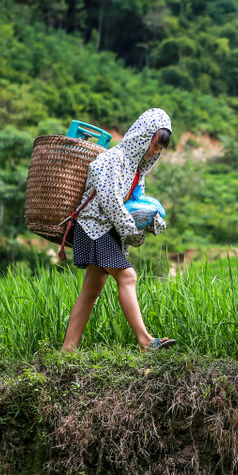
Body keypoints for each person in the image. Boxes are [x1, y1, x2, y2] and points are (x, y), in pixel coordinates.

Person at [61, 108, 177, 352]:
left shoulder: (138, 171)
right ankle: (145, 341)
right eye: (154, 144)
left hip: (109, 230)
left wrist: (151, 222)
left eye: (160, 148)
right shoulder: (112, 159)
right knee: (128, 276)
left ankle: (67, 351)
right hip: (94, 226)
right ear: (143, 136)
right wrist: (130, 230)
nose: (155, 151)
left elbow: (135, 206)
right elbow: (110, 201)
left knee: (91, 291)